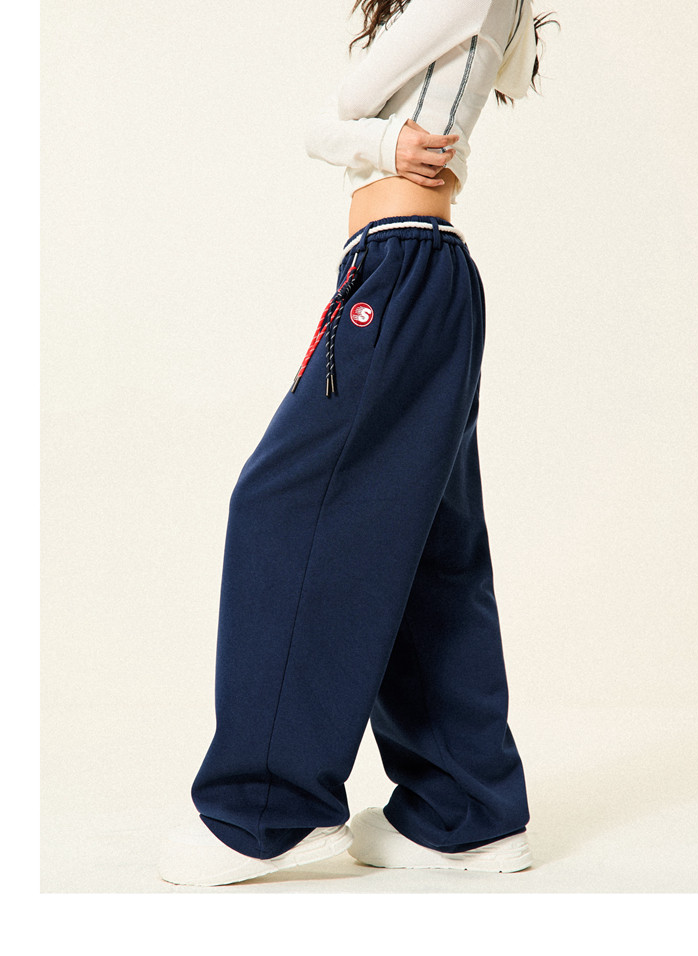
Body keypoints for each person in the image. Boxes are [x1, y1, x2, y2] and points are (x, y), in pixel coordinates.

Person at [158, 0, 557, 886]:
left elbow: (344, 105)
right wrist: (380, 141)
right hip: (420, 273)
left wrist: (371, 141)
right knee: (429, 553)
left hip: (403, 270)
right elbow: (485, 82)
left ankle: (267, 809)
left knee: (281, 506)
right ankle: (464, 813)